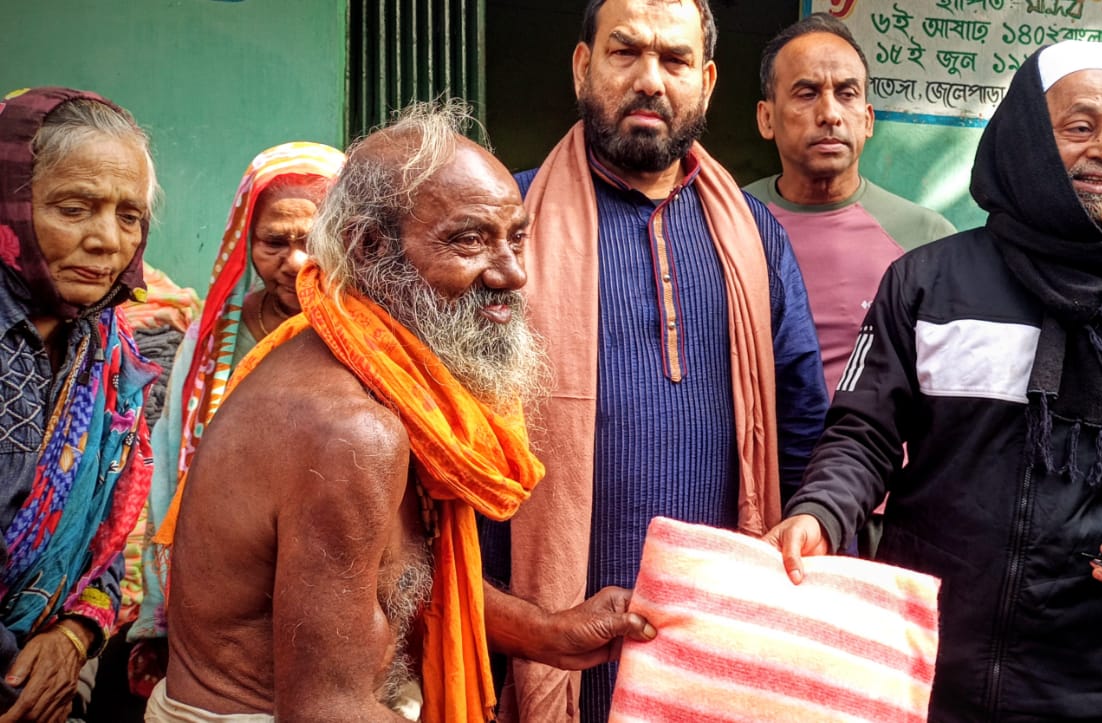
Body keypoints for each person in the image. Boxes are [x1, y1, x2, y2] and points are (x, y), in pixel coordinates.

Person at [764, 42, 1102, 721]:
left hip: (1095, 679)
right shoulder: (928, 283)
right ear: (1028, 139)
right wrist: (820, 512)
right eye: (1080, 127)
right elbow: (863, 432)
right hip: (926, 665)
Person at [155, 102, 654, 723]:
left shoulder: (376, 369)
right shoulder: (350, 431)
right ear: (367, 248)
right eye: (469, 239)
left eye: (516, 237)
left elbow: (389, 579)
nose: (512, 273)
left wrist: (549, 631)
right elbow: (325, 710)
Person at [495, 1, 829, 720]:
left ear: (705, 82)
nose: (650, 79)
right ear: (582, 67)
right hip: (546, 640)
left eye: (674, 60)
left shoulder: (754, 235)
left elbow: (804, 422)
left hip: (713, 641)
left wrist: (812, 525)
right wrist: (522, 625)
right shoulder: (507, 223)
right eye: (626, 53)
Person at [129, 141, 345, 698]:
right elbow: (168, 465)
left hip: (333, 580)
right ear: (246, 242)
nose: (295, 262)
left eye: (314, 241)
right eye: (274, 242)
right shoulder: (214, 338)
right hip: (224, 586)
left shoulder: (369, 336)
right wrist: (159, 604)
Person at [0, 87, 161, 723]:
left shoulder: (109, 351)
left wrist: (73, 636)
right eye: (74, 208)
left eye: (130, 216)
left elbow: (104, 544)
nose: (107, 241)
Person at [743, 13, 955, 392]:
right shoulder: (725, 222)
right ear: (766, 118)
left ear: (868, 120)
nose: (829, 114)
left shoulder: (928, 238)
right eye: (806, 93)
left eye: (847, 94)